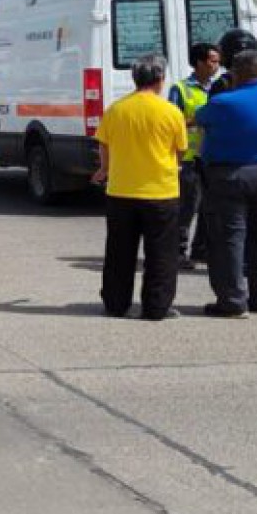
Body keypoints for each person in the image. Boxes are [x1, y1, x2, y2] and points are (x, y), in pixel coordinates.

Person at [195, 51, 257, 317]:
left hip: (230, 175)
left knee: (228, 238)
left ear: (235, 74)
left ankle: (232, 301)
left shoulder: (223, 102)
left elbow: (199, 117)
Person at [90, 55, 187, 320]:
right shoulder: (171, 112)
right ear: (160, 79)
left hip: (121, 190)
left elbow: (104, 145)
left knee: (119, 251)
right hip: (161, 191)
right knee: (161, 254)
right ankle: (156, 306)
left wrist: (104, 169)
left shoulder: (116, 110)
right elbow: (180, 151)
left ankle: (116, 303)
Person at [166, 42, 223, 270]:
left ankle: (201, 250)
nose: (217, 66)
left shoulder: (220, 88)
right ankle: (177, 251)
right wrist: (198, 120)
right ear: (199, 63)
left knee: (210, 207)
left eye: (218, 61)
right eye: (213, 61)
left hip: (212, 157)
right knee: (187, 207)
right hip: (189, 158)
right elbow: (172, 122)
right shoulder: (180, 89)